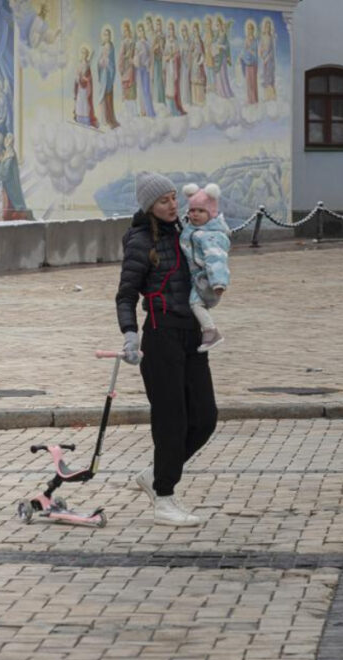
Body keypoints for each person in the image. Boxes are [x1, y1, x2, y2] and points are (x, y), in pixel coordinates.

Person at [115, 171, 217, 527]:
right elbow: (126, 295)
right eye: (164, 200)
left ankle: (157, 473)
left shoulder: (187, 233)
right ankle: (164, 499)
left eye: (174, 197)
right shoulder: (140, 241)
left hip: (192, 336)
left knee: (205, 418)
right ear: (149, 206)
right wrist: (129, 334)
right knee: (171, 422)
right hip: (161, 337)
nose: (173, 205)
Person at [180, 183, 230, 352]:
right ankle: (208, 331)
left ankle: (211, 331)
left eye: (201, 211)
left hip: (206, 279)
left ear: (211, 213)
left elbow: (217, 259)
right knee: (197, 304)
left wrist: (218, 282)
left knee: (195, 304)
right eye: (193, 210)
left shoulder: (210, 235)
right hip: (196, 278)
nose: (195, 214)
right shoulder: (193, 229)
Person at [98, 28, 120, 129]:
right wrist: (100, 63)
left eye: (108, 35)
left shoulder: (111, 47)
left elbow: (112, 63)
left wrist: (107, 63)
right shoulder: (102, 46)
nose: (106, 36)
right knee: (102, 96)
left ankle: (110, 119)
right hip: (103, 75)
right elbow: (98, 62)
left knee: (108, 97)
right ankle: (103, 119)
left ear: (110, 36)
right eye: (105, 34)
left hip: (108, 76)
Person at [74, 46, 99, 128]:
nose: (83, 54)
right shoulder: (79, 64)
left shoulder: (88, 64)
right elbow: (77, 76)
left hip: (86, 87)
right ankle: (79, 118)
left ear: (87, 54)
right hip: (80, 87)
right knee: (80, 101)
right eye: (82, 53)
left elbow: (89, 77)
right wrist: (80, 78)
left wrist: (86, 78)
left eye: (84, 53)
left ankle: (85, 119)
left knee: (85, 102)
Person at [135, 23, 156, 118]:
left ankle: (150, 112)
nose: (141, 32)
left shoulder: (148, 44)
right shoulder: (137, 44)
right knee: (140, 90)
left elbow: (151, 57)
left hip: (146, 69)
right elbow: (135, 58)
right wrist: (138, 56)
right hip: (139, 69)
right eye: (139, 31)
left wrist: (148, 63)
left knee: (147, 90)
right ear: (137, 33)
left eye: (142, 30)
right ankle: (143, 111)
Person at [240, 20, 259, 105]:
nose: (249, 30)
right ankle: (249, 99)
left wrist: (250, 50)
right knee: (248, 82)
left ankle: (254, 99)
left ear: (253, 30)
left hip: (253, 63)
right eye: (248, 29)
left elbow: (255, 53)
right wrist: (241, 57)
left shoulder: (254, 41)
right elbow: (244, 50)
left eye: (251, 29)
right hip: (247, 63)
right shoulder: (246, 40)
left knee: (253, 82)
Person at [260, 17, 276, 101]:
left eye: (269, 27)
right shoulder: (263, 37)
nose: (267, 28)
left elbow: (272, 50)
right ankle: (267, 96)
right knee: (265, 77)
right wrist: (262, 55)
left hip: (269, 60)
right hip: (264, 60)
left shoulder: (271, 37)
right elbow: (261, 48)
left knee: (270, 77)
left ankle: (272, 96)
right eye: (266, 26)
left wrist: (267, 57)